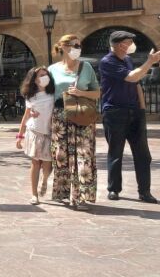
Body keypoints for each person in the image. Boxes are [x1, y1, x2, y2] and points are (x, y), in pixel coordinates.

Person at [99, 31, 160, 204]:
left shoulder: (127, 60)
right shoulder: (107, 61)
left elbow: (137, 84)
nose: (131, 45)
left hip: (135, 112)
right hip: (115, 112)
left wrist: (142, 110)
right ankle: (113, 189)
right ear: (120, 45)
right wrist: (150, 62)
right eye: (129, 42)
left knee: (143, 154)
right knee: (116, 152)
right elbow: (132, 77)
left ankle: (145, 191)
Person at [48, 34, 100, 210]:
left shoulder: (86, 67)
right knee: (62, 156)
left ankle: (82, 197)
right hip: (60, 117)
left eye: (79, 45)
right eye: (74, 45)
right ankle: (66, 193)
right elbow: (46, 95)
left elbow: (97, 93)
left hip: (82, 116)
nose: (78, 48)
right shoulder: (52, 70)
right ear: (63, 47)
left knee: (84, 155)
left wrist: (81, 93)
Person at [16, 66, 55, 205]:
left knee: (48, 163)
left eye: (46, 74)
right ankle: (34, 194)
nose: (44, 77)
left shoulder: (53, 94)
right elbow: (26, 116)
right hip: (34, 131)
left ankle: (44, 180)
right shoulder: (31, 97)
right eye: (41, 75)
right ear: (34, 79)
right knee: (35, 162)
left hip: (50, 133)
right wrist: (20, 136)